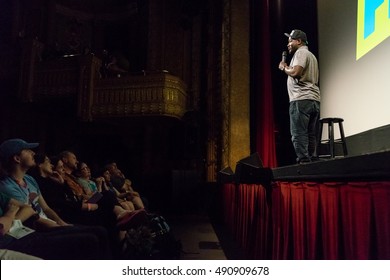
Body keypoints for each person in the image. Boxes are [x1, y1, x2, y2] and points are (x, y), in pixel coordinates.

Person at [0, 192, 111, 259]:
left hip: (24, 231)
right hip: (11, 242)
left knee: (100, 231)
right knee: (89, 240)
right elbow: (2, 228)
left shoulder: (29, 180)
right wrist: (10, 213)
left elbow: (28, 208)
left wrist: (9, 219)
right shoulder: (7, 185)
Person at [278, 29, 321, 164]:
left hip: (301, 100)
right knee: (310, 134)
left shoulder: (301, 52)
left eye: (290, 41)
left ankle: (304, 162)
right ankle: (311, 161)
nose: (288, 44)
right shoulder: (312, 56)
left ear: (299, 41)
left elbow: (296, 72)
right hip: (313, 99)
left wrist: (284, 67)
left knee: (298, 134)